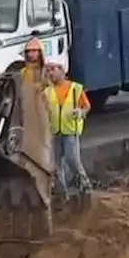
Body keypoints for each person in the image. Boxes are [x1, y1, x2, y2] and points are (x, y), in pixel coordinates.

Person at [43, 61, 92, 209]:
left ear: (62, 70)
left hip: (70, 131)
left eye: (52, 70)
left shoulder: (75, 89)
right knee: (56, 165)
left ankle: (84, 185)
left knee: (72, 159)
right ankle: (62, 194)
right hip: (55, 132)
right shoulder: (47, 92)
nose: (50, 73)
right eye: (48, 71)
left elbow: (87, 106)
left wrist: (81, 113)